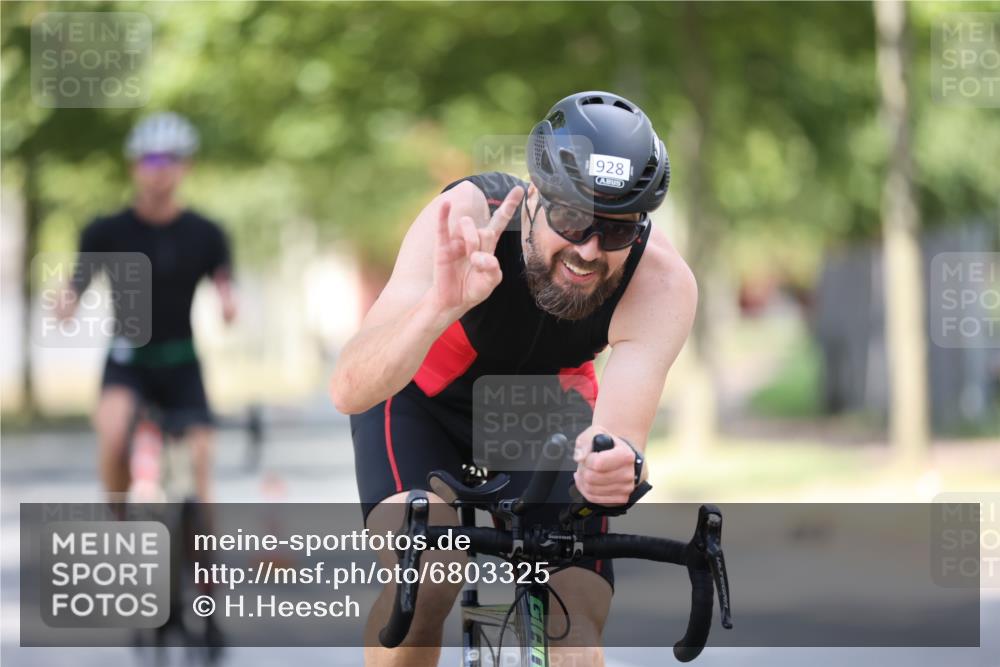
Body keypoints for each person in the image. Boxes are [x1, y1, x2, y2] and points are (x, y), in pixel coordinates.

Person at [330, 91, 697, 667]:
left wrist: (616, 465)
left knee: (575, 627)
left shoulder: (661, 283)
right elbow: (349, 388)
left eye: (617, 231)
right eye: (572, 218)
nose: (588, 250)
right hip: (419, 397)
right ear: (533, 195)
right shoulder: (466, 217)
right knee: (427, 579)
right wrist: (438, 306)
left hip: (543, 411)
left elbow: (622, 439)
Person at [58, 111, 236, 505]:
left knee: (201, 456)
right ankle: (119, 522)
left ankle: (200, 550)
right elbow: (78, 281)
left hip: (182, 361)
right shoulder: (106, 231)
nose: (159, 170)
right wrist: (66, 302)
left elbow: (224, 281)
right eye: (150, 160)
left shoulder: (205, 233)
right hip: (127, 360)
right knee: (113, 433)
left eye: (170, 160)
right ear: (134, 165)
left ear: (186, 166)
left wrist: (228, 303)